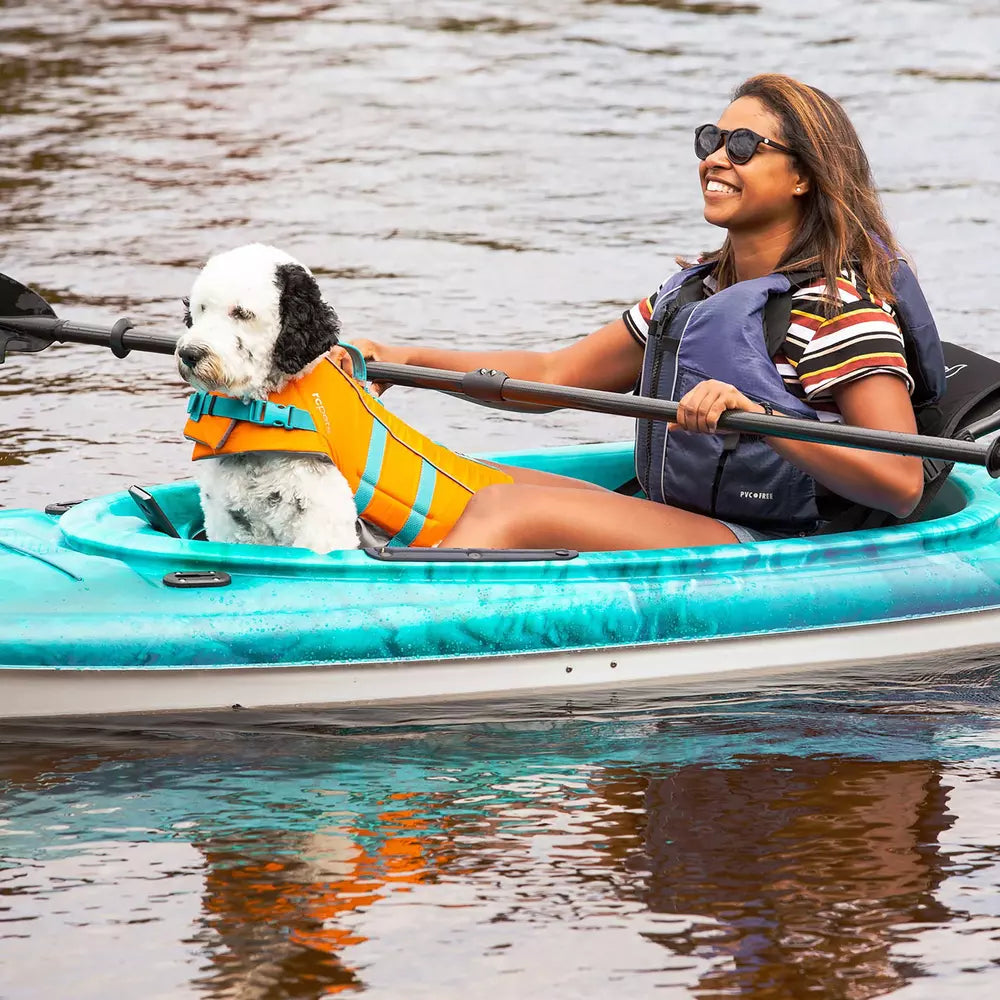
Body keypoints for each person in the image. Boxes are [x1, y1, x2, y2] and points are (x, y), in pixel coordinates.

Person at [333, 73, 938, 552]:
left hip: (777, 546)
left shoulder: (844, 313)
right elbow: (550, 378)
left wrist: (759, 419)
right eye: (712, 140)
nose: (718, 158)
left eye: (746, 146)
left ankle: (401, 637)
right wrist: (403, 357)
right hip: (685, 518)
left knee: (503, 509)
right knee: (462, 479)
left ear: (804, 177)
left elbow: (900, 482)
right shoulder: (692, 296)